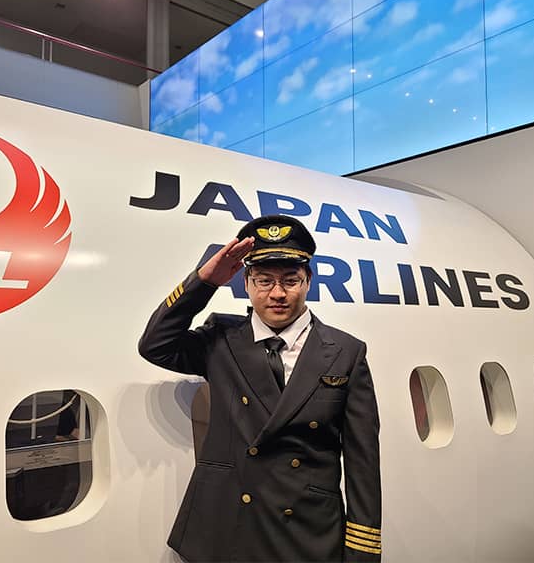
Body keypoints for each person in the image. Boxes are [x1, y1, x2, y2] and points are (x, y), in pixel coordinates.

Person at [139, 215, 381, 562]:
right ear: (247, 284)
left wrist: (362, 549)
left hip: (307, 528)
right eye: (264, 281)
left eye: (291, 280)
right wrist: (203, 283)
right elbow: (154, 345)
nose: (278, 294)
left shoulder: (346, 352)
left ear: (308, 281)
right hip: (227, 525)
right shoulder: (220, 341)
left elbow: (363, 460)